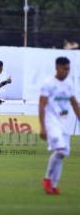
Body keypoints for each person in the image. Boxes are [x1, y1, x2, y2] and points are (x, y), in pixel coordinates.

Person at [39, 57, 80, 195]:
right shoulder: (48, 83)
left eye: (68, 69)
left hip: (64, 123)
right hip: (52, 122)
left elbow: (74, 103)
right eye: (65, 68)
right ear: (57, 68)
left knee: (62, 154)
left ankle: (54, 185)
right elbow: (42, 105)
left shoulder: (69, 83)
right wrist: (43, 127)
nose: (67, 71)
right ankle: (47, 179)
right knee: (61, 150)